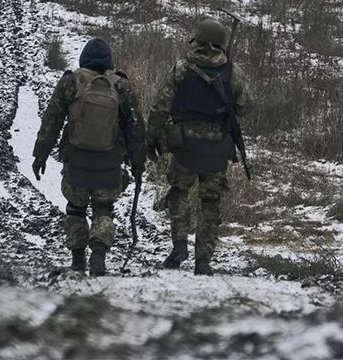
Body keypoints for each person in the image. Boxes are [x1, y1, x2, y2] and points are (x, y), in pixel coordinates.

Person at [32, 38, 146, 277]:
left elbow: (51, 121)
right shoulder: (121, 86)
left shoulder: (71, 82)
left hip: (77, 160)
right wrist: (137, 162)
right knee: (104, 208)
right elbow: (135, 127)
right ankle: (99, 253)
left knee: (76, 208)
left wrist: (40, 154)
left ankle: (77, 260)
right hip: (109, 161)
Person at [145, 18, 248, 276]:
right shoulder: (232, 71)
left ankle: (179, 245)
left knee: (178, 192)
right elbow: (246, 106)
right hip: (217, 147)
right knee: (211, 201)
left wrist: (150, 138)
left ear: (198, 40)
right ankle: (203, 261)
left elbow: (160, 106)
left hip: (185, 145)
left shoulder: (182, 68)